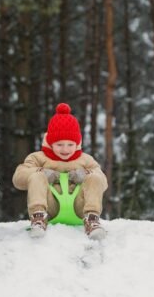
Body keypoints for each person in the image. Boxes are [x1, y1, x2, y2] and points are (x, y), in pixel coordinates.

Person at [12, 103, 108, 240]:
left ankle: (92, 219)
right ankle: (38, 217)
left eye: (70, 145)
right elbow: (18, 178)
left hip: (79, 206)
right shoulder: (38, 158)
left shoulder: (85, 160)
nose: (65, 150)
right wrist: (41, 172)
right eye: (59, 144)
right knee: (36, 175)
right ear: (50, 142)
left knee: (95, 177)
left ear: (77, 143)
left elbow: (103, 182)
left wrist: (84, 174)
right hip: (50, 206)